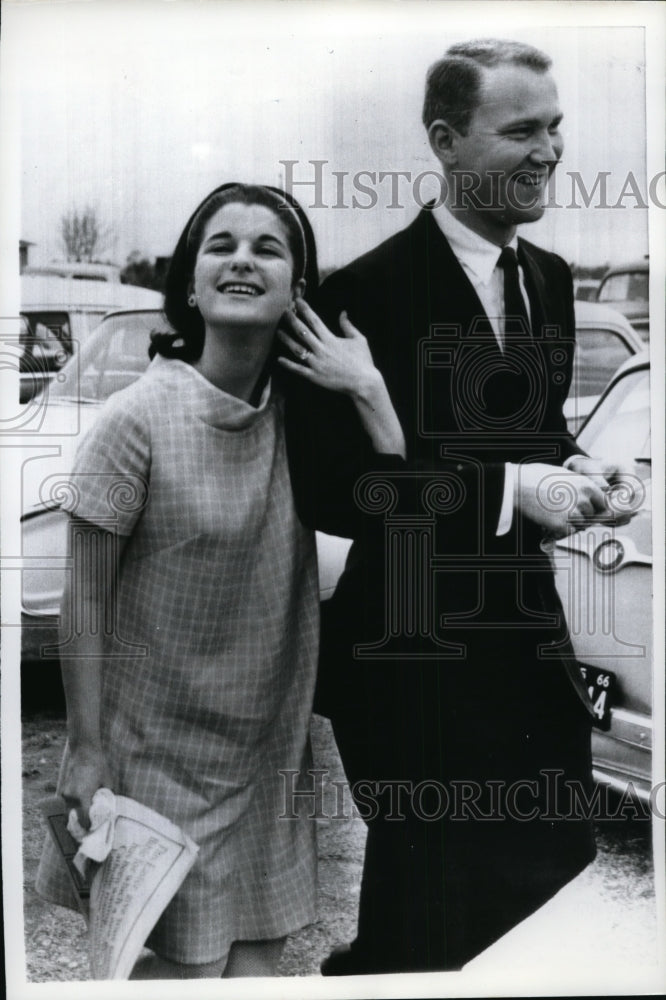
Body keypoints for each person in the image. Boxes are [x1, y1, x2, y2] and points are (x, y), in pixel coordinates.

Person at [298, 39, 635, 974]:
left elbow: (533, 440)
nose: (549, 151)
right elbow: (331, 488)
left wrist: (588, 468)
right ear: (445, 141)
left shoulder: (552, 281)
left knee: (546, 889)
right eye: (520, 130)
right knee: (429, 914)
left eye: (555, 127)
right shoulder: (360, 294)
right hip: (411, 655)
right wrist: (509, 490)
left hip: (528, 641)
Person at [35, 182, 404, 980]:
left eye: (268, 248)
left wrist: (369, 389)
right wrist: (85, 748)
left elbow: (414, 510)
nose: (243, 259)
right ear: (191, 285)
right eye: (221, 246)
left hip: (269, 763)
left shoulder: (308, 423)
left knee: (261, 979)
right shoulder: (134, 419)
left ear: (297, 291)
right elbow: (85, 600)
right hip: (154, 769)